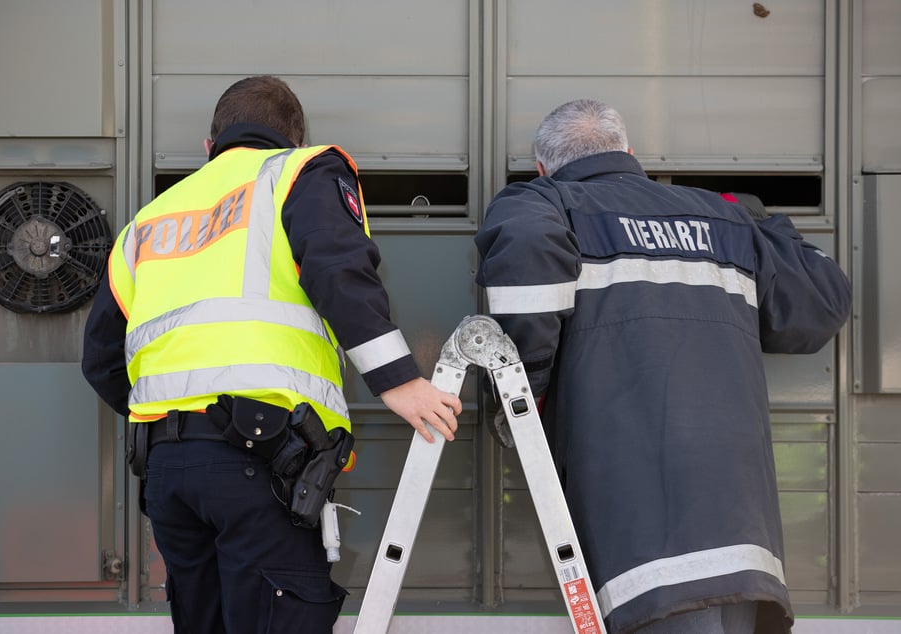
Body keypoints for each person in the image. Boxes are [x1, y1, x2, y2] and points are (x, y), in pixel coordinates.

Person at [81, 75, 461, 634]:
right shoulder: (298, 173)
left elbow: (101, 359)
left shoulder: (150, 219)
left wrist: (174, 419)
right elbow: (339, 272)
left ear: (209, 148)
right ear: (293, 138)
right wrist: (400, 382)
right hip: (259, 458)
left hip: (168, 470)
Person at [474, 99, 851, 633]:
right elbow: (822, 303)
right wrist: (764, 223)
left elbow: (528, 255)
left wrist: (520, 399)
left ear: (542, 166)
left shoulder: (542, 203)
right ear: (629, 153)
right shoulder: (723, 216)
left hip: (643, 537)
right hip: (741, 533)